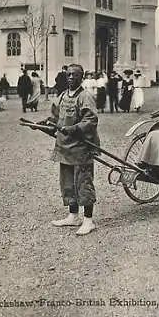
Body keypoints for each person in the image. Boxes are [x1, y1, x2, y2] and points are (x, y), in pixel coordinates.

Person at [48, 64, 100, 235]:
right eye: (68, 75)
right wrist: (45, 124)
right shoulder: (63, 96)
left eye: (75, 75)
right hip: (65, 147)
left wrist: (74, 128)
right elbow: (56, 117)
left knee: (83, 183)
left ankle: (88, 220)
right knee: (68, 182)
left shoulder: (85, 97)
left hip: (82, 147)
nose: (71, 78)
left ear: (81, 77)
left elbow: (90, 120)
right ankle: (73, 215)